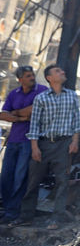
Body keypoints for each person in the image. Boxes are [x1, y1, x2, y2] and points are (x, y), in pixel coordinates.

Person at [12, 65, 80, 229]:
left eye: (61, 70)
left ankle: (56, 219)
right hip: (43, 144)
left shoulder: (72, 96)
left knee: (62, 182)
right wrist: (35, 147)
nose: (63, 71)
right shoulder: (41, 98)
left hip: (64, 144)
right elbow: (34, 124)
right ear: (49, 78)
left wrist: (75, 141)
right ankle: (26, 216)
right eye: (58, 71)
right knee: (33, 181)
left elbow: (76, 121)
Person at [0, 66, 48, 224]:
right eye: (28, 76)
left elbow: (36, 111)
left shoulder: (41, 90)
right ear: (20, 79)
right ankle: (7, 208)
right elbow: (3, 114)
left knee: (20, 177)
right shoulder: (14, 93)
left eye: (32, 75)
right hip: (13, 140)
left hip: (29, 141)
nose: (32, 77)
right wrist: (22, 117)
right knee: (6, 175)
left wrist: (15, 113)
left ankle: (14, 211)